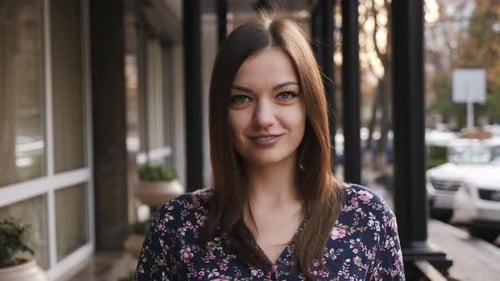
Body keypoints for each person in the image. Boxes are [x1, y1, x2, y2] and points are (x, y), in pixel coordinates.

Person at [136, 15, 405, 281]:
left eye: (285, 95)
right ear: (222, 112)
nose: (263, 118)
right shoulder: (177, 225)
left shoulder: (367, 218)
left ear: (308, 104)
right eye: (241, 98)